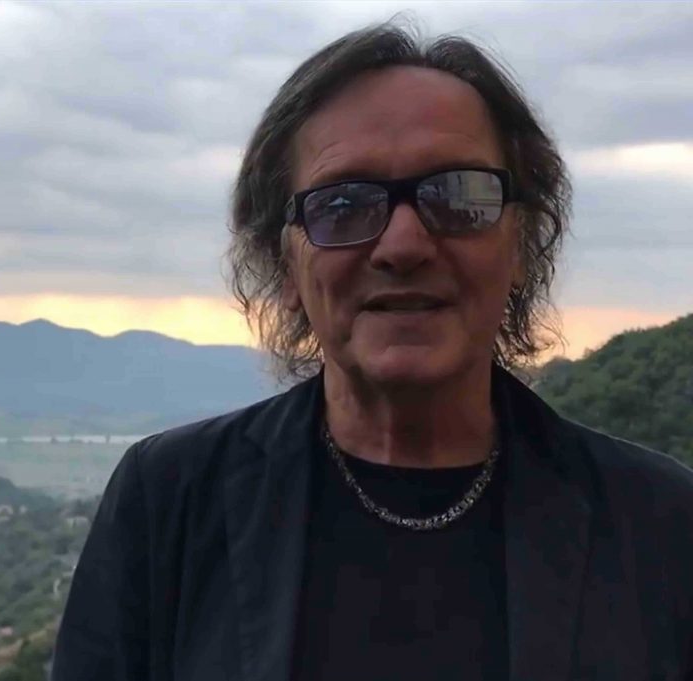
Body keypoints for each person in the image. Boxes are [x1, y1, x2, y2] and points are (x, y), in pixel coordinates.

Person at [52, 21, 693, 681]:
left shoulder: (663, 523)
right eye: (343, 204)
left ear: (521, 246)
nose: (403, 246)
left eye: (459, 196)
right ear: (285, 264)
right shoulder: (167, 503)